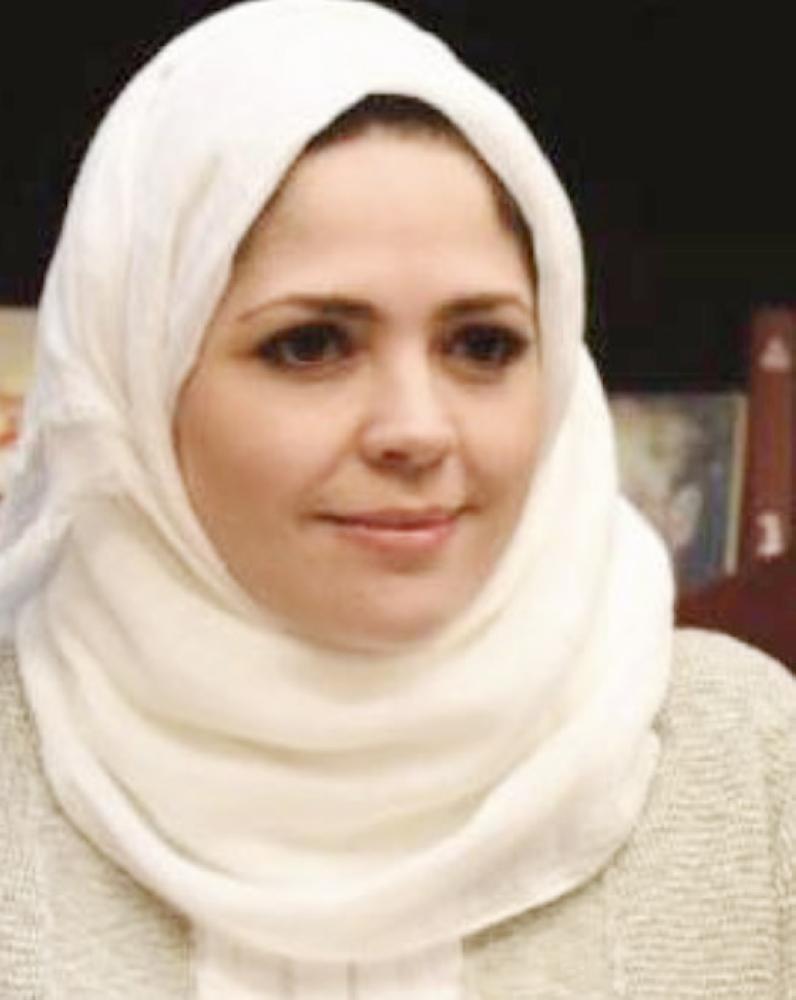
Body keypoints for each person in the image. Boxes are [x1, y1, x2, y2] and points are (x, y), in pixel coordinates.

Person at [0, 2, 793, 997]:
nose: (416, 430)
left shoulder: (750, 762)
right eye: (310, 345)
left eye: (483, 345)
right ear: (136, 384)